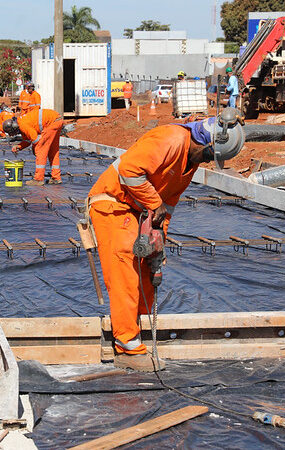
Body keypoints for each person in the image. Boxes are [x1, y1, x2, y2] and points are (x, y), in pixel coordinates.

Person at [85, 109, 245, 371]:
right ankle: (126, 344)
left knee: (148, 270)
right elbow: (129, 171)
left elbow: (168, 205)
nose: (205, 161)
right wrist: (154, 203)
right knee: (125, 264)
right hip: (113, 204)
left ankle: (136, 329)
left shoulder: (189, 163)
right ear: (204, 141)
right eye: (207, 155)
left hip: (139, 211)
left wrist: (159, 239)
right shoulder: (171, 140)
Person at [3, 108, 64, 185]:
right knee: (53, 151)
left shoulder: (22, 125)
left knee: (40, 150)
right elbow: (28, 140)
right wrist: (19, 146)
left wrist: (35, 148)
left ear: (14, 128)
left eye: (12, 133)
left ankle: (38, 179)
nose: (14, 135)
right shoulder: (21, 123)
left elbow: (35, 138)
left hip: (51, 123)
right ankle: (56, 178)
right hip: (56, 120)